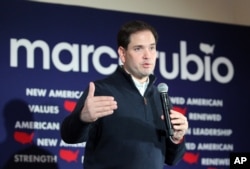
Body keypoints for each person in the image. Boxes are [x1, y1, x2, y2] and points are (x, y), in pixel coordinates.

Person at [60, 20, 188, 169]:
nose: (148, 55)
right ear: (122, 53)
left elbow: (172, 159)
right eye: (139, 49)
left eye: (152, 48)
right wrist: (82, 118)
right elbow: (69, 136)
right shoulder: (101, 90)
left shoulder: (160, 97)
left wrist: (177, 138)